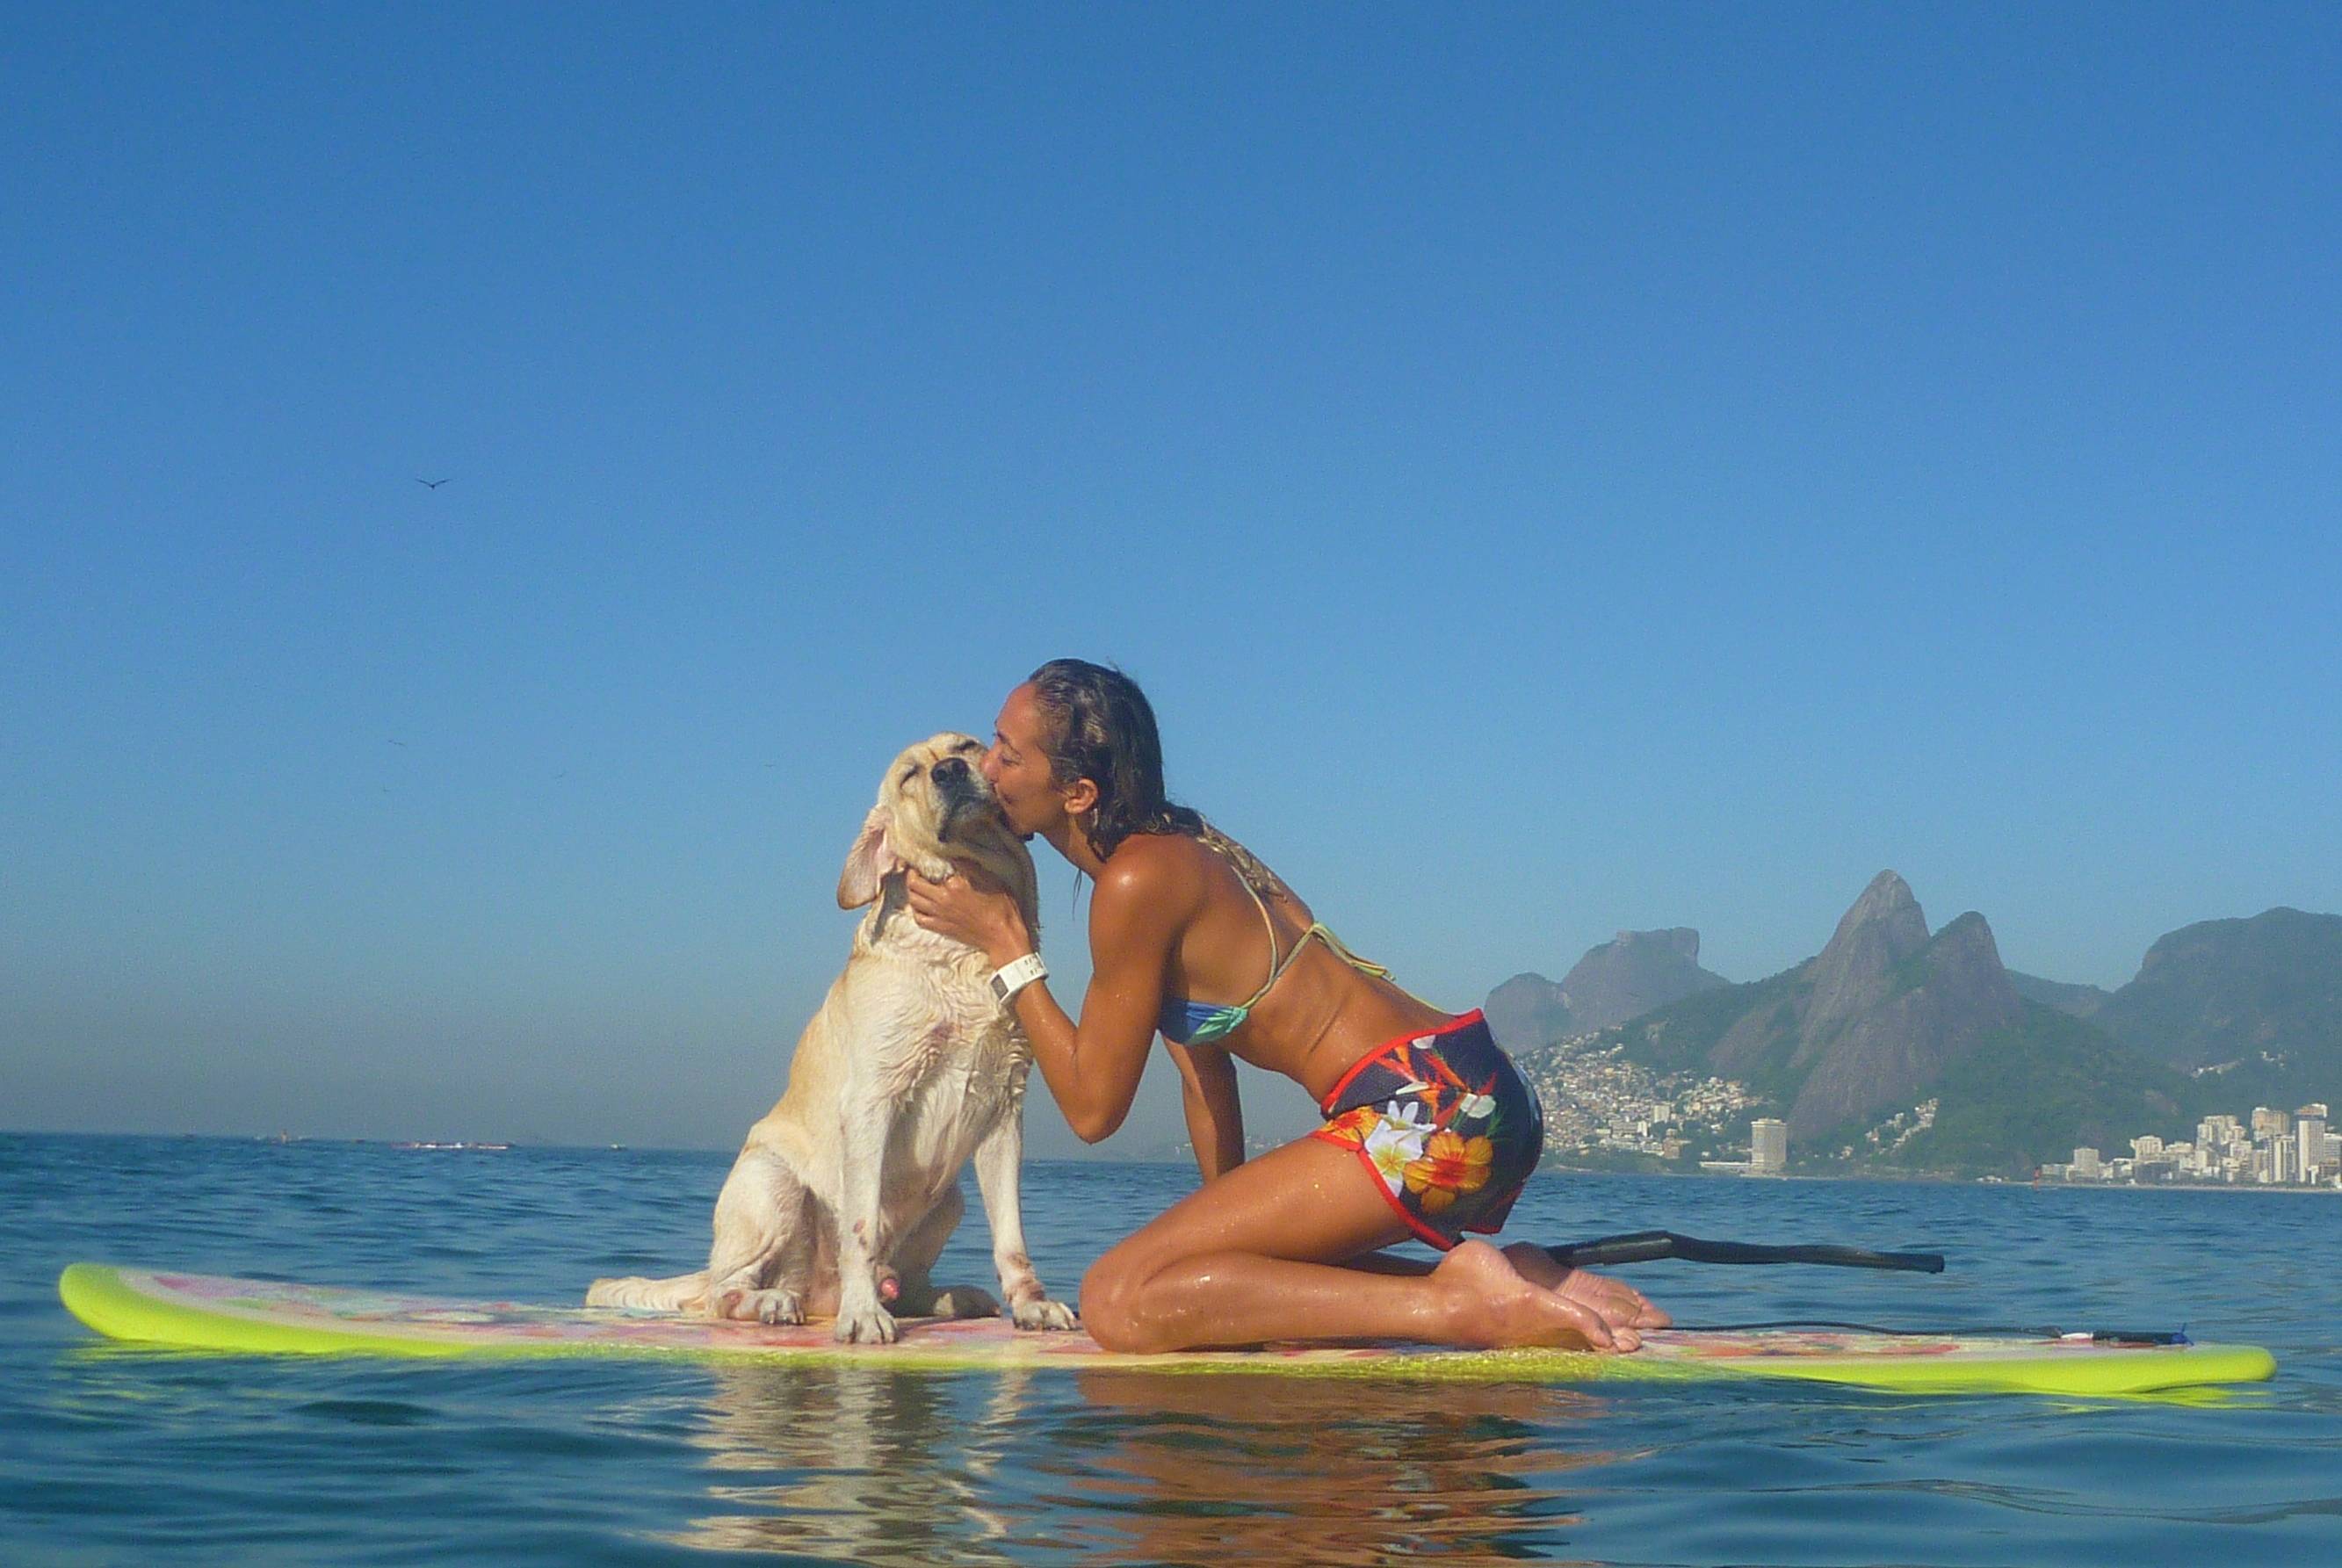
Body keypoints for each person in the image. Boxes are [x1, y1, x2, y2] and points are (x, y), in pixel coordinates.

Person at [906, 659, 1669, 1355]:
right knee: (1178, 1273)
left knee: (1116, 1298)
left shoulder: (1137, 881)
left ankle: (1462, 1307)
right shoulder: (1178, 846)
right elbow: (1204, 1072)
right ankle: (1516, 1277)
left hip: (1423, 1108)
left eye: (1007, 751)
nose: (985, 767)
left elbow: (1092, 1109)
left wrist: (1006, 944)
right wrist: (1221, 1264)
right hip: (1470, 1091)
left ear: (1077, 793)